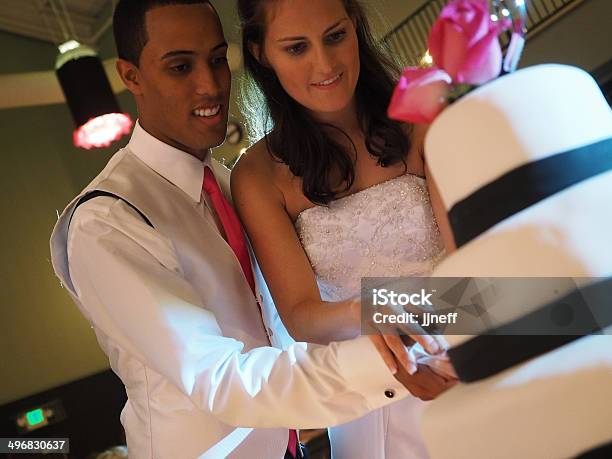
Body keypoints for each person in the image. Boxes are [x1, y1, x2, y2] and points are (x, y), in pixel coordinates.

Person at [49, 1, 452, 458]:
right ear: (131, 76)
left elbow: (283, 326)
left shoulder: (224, 181)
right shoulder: (107, 221)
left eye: (217, 60)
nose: (210, 85)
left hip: (318, 428)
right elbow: (220, 380)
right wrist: (392, 356)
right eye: (180, 67)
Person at [231, 0, 457, 457]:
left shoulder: (416, 117)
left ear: (355, 24)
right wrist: (373, 312)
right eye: (296, 48)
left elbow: (465, 257)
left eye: (335, 36)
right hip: (371, 384)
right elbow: (300, 314)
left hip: (461, 343)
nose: (325, 64)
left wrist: (457, 347)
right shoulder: (257, 175)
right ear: (261, 54)